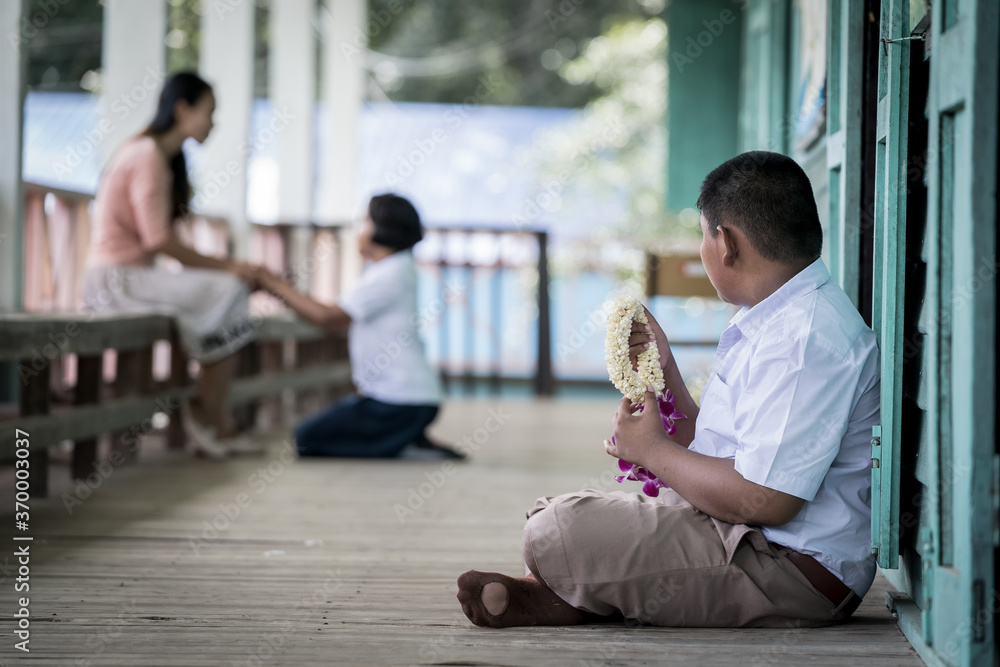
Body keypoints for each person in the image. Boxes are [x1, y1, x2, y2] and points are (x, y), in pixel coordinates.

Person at [456, 151, 881, 629]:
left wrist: (652, 451)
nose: (703, 249)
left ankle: (558, 595)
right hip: (749, 537)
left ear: (726, 244)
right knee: (557, 514)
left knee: (558, 530)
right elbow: (726, 453)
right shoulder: (778, 318)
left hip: (789, 570)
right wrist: (667, 374)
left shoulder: (803, 339)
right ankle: (558, 595)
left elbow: (767, 499)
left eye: (702, 236)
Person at [82, 71, 261, 459]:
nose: (213, 122)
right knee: (229, 289)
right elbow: (159, 240)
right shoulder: (147, 155)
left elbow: (163, 241)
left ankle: (213, 416)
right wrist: (227, 265)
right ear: (182, 109)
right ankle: (209, 414)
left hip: (132, 276)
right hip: (116, 280)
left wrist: (222, 268)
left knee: (229, 294)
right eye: (209, 111)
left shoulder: (161, 156)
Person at [253, 194, 463, 460]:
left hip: (399, 401)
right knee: (334, 424)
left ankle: (403, 445)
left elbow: (328, 318)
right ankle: (407, 439)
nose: (358, 231)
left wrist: (272, 284)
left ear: (384, 230)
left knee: (306, 438)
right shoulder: (393, 269)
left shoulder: (390, 273)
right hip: (408, 400)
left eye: (365, 222)